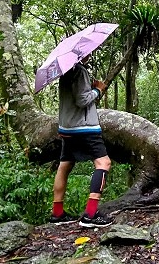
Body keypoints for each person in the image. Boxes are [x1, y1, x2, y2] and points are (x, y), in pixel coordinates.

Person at [50, 56, 114, 227]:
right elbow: (82, 100)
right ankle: (91, 215)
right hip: (84, 128)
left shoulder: (65, 72)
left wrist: (90, 89)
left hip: (67, 128)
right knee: (103, 163)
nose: (91, 55)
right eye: (88, 53)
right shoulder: (79, 70)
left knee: (65, 165)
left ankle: (57, 213)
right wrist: (98, 90)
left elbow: (76, 96)